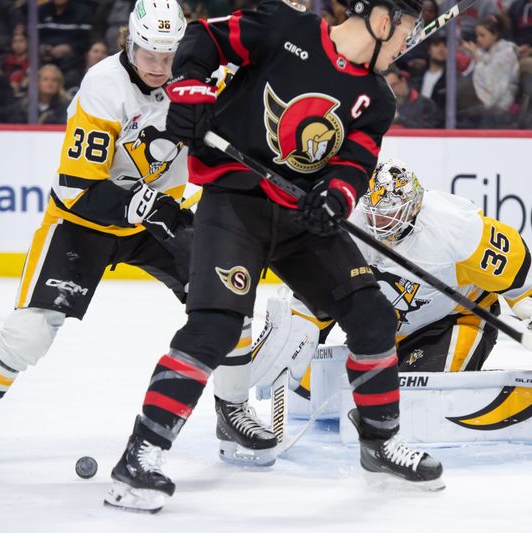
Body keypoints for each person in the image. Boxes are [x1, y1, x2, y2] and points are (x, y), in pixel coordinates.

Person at [104, 0, 444, 514]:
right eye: (406, 32)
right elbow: (203, 39)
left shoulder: (376, 98)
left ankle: (380, 445)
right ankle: (140, 456)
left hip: (300, 221)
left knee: (371, 315)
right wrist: (191, 88)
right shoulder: (287, 27)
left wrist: (336, 198)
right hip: (234, 205)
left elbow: (353, 165)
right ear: (380, 20)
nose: (406, 45)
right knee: (215, 327)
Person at [0, 0, 269, 475]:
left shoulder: (195, 77)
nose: (159, 67)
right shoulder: (104, 85)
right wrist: (146, 205)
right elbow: (75, 190)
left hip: (156, 217)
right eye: (149, 53)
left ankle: (231, 410)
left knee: (230, 295)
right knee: (29, 332)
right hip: (85, 222)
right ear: (128, 40)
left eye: (168, 55)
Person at [251, 158, 532, 397]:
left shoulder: (454, 229)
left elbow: (516, 265)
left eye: (390, 213)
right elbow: (322, 290)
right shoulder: (348, 221)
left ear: (414, 205)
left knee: (421, 398)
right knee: (310, 390)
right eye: (375, 212)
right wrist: (301, 334)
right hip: (382, 329)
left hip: (454, 319)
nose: (380, 222)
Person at [460, 14, 519, 128]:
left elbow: (492, 90)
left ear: (495, 35)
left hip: (499, 111)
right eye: (477, 35)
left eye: (482, 35)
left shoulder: (506, 55)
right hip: (487, 109)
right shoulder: (487, 54)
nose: (478, 39)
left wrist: (477, 57)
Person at [3, 63, 70, 123]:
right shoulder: (24, 106)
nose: (50, 83)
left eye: (54, 80)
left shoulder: (66, 107)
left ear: (59, 84)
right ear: (37, 83)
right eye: (45, 79)